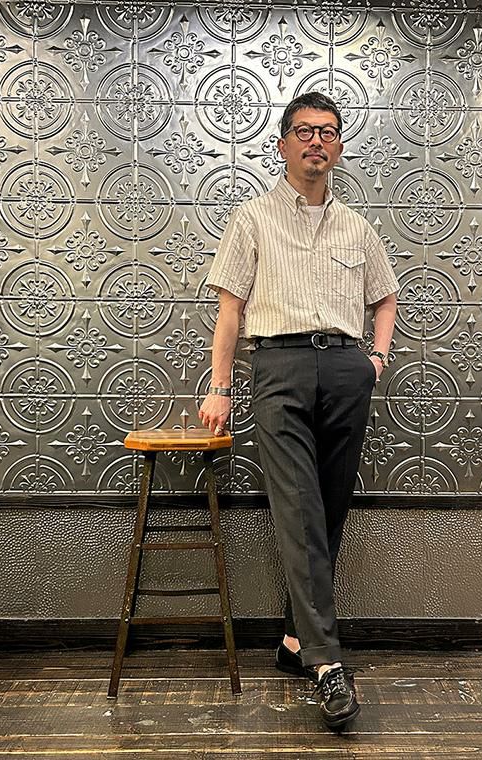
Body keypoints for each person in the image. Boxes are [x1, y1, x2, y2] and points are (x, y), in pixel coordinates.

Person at [198, 91, 398, 731]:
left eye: (329, 132)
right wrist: (220, 387)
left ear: (338, 147)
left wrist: (375, 359)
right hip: (278, 367)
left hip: (344, 369)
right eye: (305, 131)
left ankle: (293, 640)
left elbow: (385, 299)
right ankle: (326, 662)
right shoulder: (252, 218)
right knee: (298, 507)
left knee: (330, 508)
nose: (317, 141)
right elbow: (230, 310)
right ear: (283, 143)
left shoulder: (357, 226)